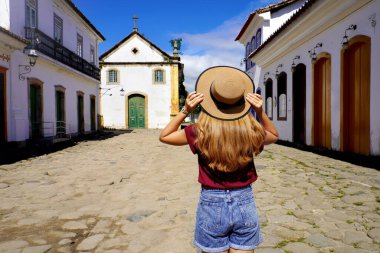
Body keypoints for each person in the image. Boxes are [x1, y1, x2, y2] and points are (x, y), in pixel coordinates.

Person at [159, 66, 279, 253]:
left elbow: (165, 136)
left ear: (210, 101)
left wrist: (185, 110)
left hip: (211, 201)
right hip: (244, 200)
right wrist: (260, 111)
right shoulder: (251, 130)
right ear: (241, 101)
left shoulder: (199, 131)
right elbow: (273, 134)